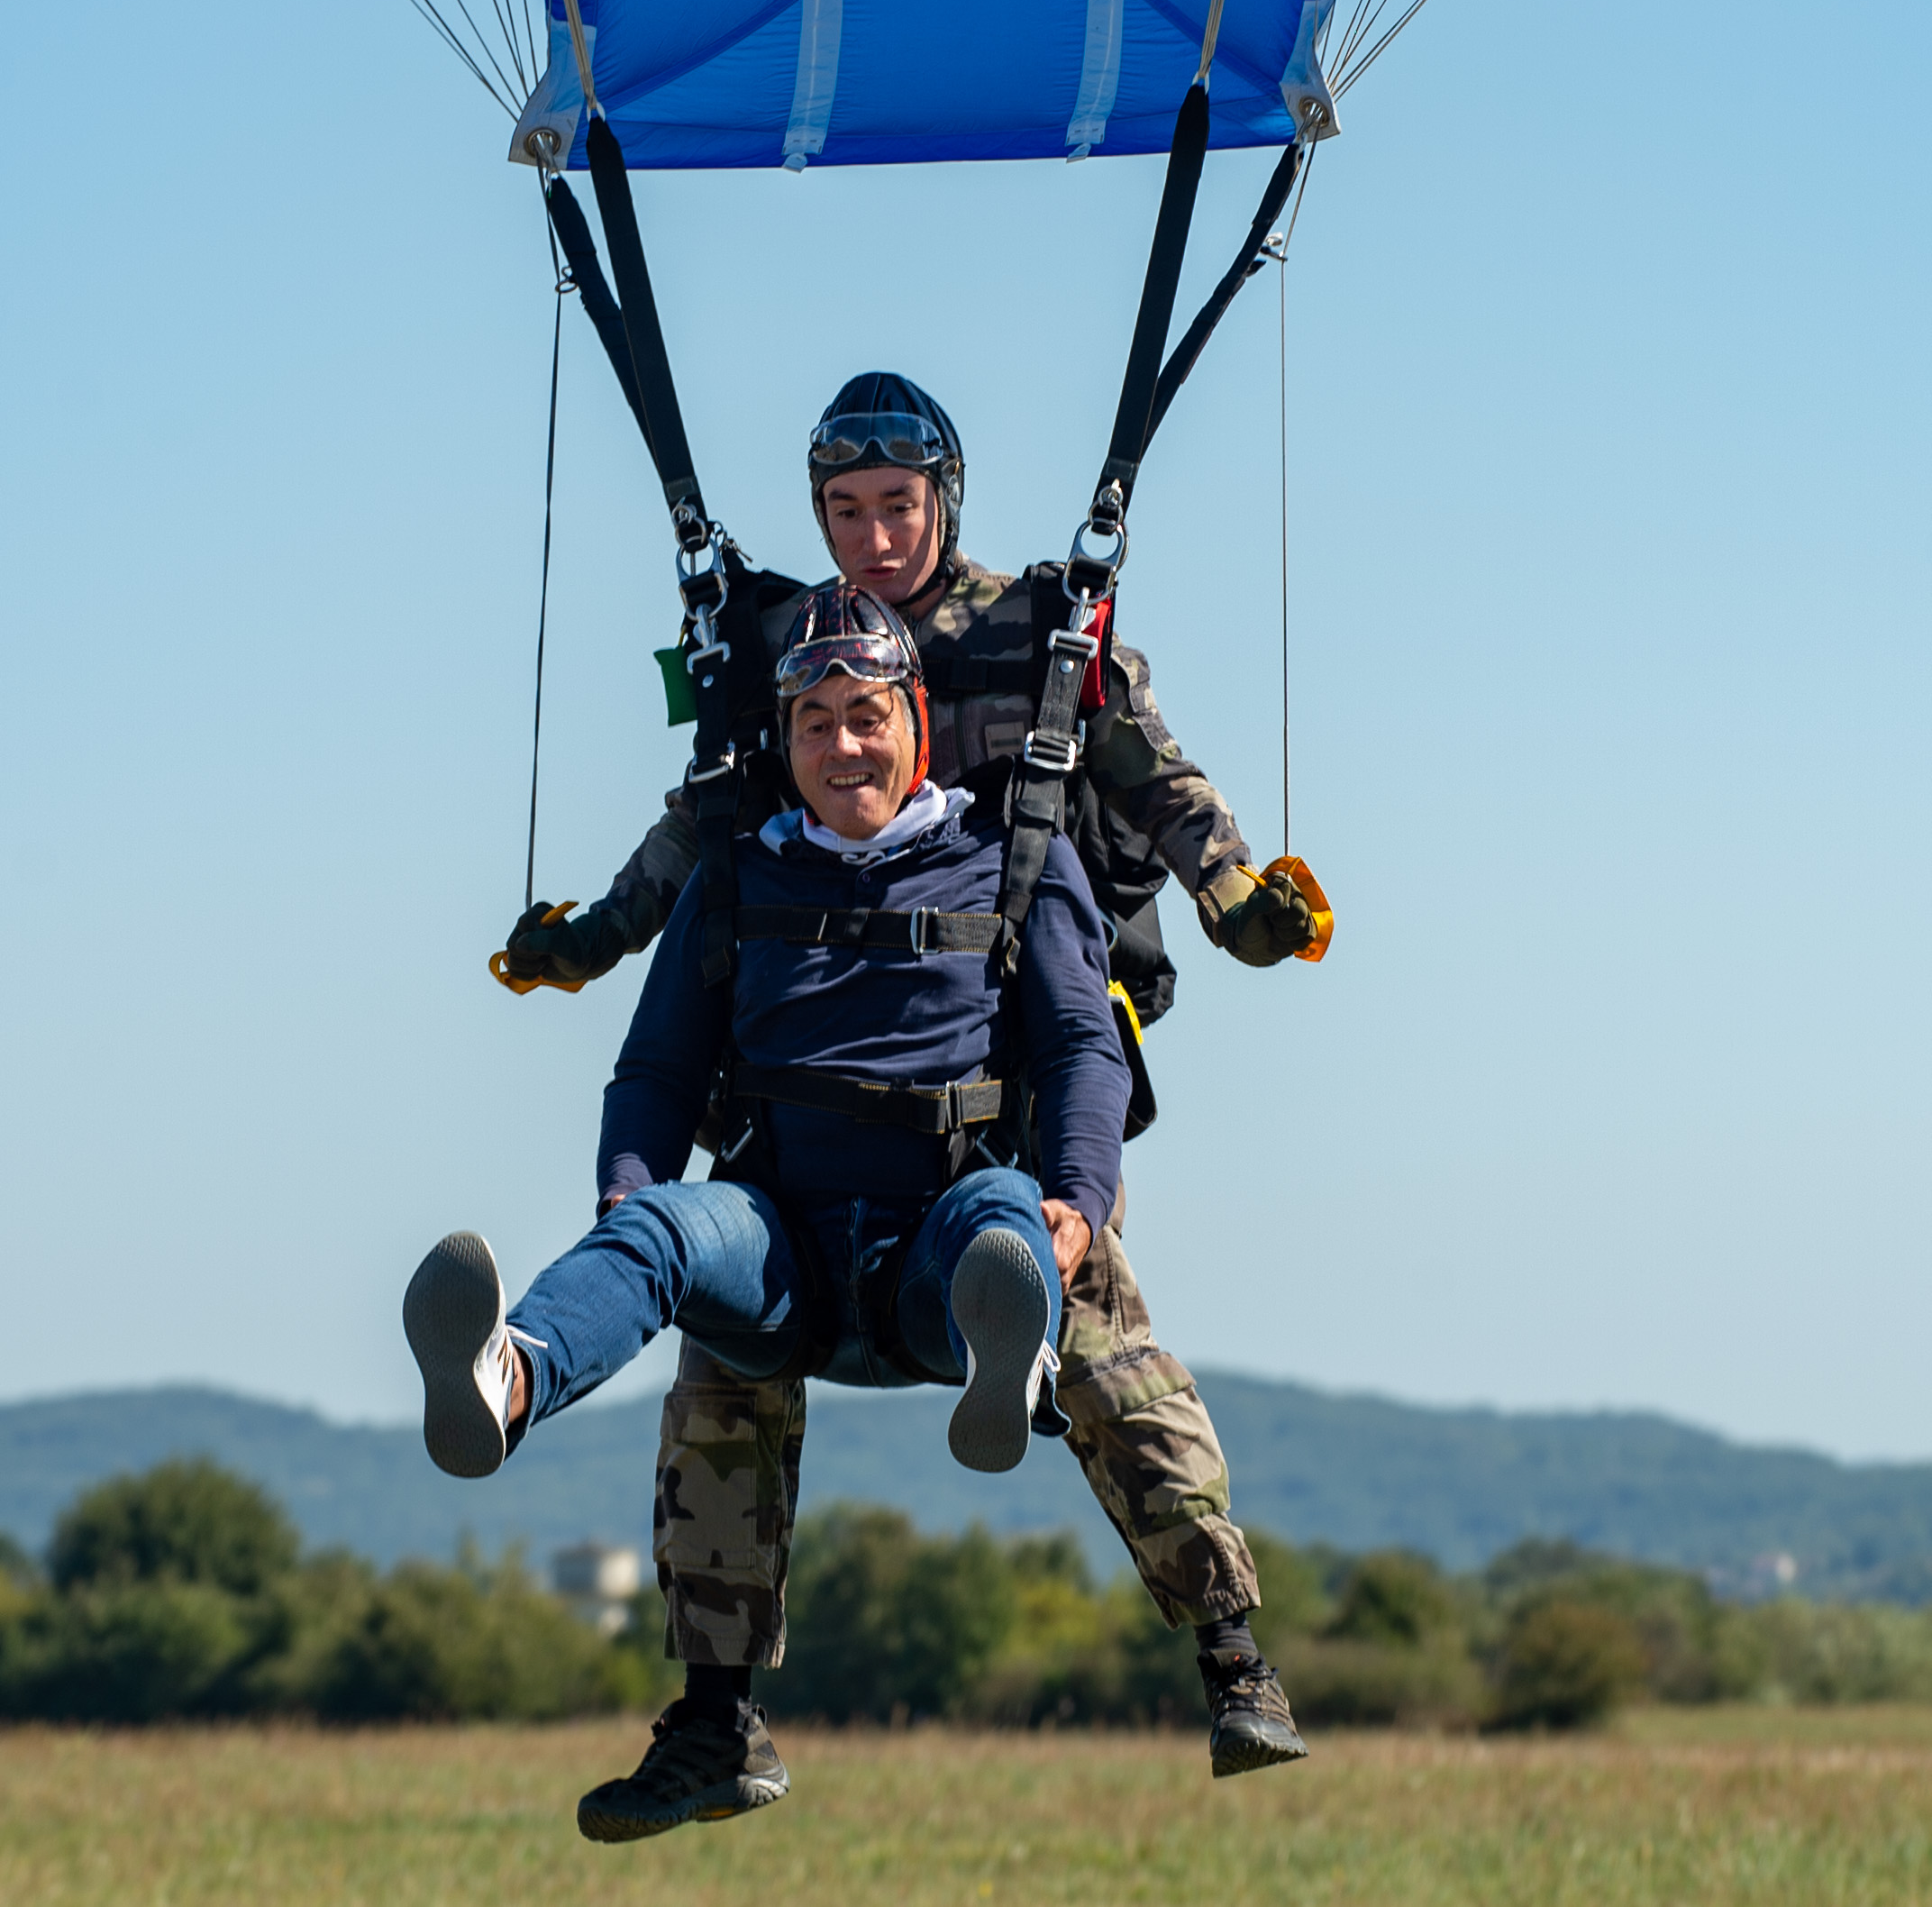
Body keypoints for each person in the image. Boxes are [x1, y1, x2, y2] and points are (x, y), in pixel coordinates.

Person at [490, 374, 1317, 1781]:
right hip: (804, 1094)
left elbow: (1150, 773)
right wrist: (598, 931)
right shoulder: (789, 648)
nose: (872, 538)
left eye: (897, 507)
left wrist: (1233, 889)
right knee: (719, 1351)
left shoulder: (1035, 636)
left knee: (1099, 1325)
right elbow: (705, 824)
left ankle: (1235, 1661)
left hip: (1006, 1061)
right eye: (845, 511)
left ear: (943, 502)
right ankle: (711, 1720)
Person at [410, 584, 1125, 1840]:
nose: (842, 747)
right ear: (783, 742)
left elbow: (1078, 1048)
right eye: (813, 725)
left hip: (934, 1243)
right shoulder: (738, 875)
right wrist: (628, 1199)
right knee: (666, 1226)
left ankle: (1000, 1360)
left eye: (865, 717)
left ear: (914, 718)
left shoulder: (1013, 859)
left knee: (1003, 1215)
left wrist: (1079, 1199)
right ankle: (506, 1376)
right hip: (778, 1252)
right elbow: (653, 1074)